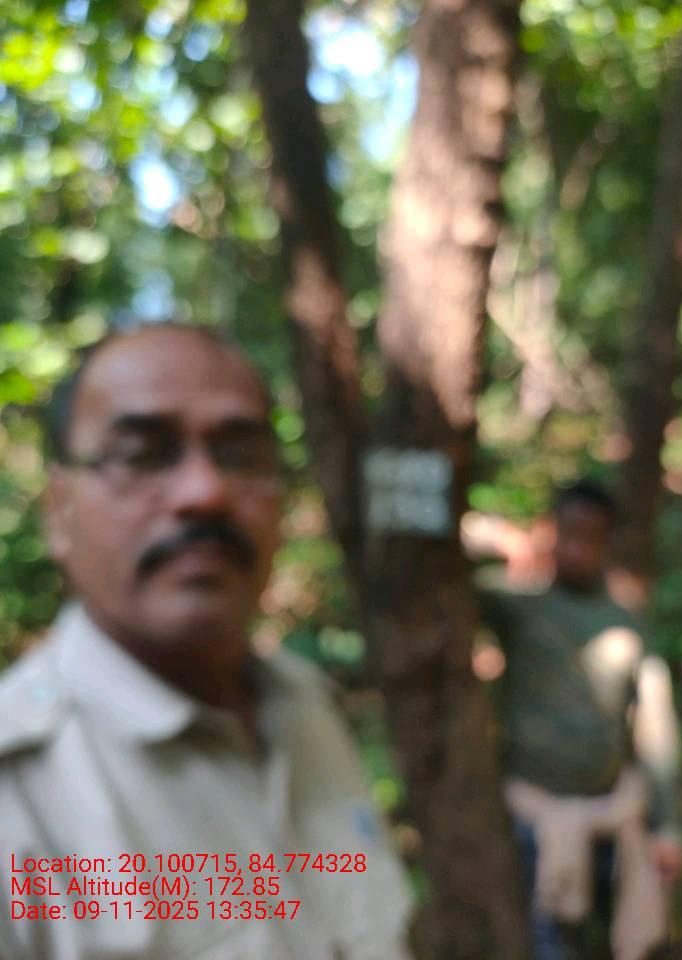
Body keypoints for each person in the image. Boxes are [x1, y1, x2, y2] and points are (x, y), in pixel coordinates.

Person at [0, 323, 413, 960]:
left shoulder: (309, 708)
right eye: (141, 454)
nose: (205, 493)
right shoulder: (19, 795)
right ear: (59, 511)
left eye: (241, 455)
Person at [467, 482, 682, 960]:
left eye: (591, 537)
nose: (576, 549)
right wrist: (498, 538)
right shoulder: (519, 605)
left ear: (607, 542)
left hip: (611, 815)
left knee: (618, 939)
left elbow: (655, 726)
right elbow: (438, 572)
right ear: (550, 532)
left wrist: (666, 825)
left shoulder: (625, 622)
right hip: (535, 818)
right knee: (548, 944)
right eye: (567, 533)